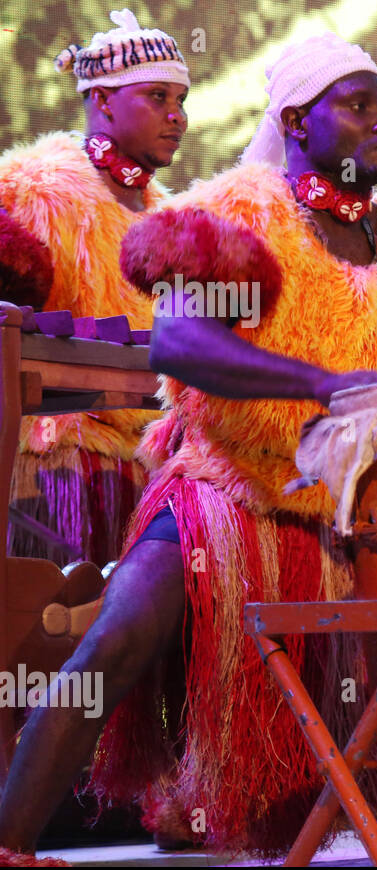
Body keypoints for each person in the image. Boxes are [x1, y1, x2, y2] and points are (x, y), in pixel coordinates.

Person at [0, 33, 377, 866]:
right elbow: (179, 346)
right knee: (116, 638)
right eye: (356, 106)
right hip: (227, 488)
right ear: (296, 122)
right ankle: (10, 845)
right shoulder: (242, 212)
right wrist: (321, 381)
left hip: (362, 512)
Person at [0, 9, 188, 566]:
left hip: (154, 472)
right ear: (103, 100)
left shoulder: (179, 220)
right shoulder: (32, 191)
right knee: (58, 634)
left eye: (181, 100)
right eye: (158, 97)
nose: (177, 116)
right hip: (60, 464)